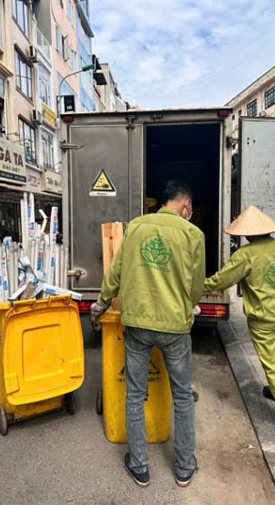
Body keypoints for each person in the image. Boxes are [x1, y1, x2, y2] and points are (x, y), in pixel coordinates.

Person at [91, 181, 205, 487]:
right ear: (185, 205)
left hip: (137, 325)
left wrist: (101, 303)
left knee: (134, 394)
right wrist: (186, 306)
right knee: (183, 396)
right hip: (175, 327)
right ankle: (184, 467)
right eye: (190, 208)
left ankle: (139, 466)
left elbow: (116, 272)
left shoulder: (136, 227)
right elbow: (196, 286)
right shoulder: (193, 234)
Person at [204, 205, 275, 436]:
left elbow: (222, 281)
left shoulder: (245, 255)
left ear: (246, 234)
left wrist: (198, 285)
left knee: (271, 365)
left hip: (263, 319)